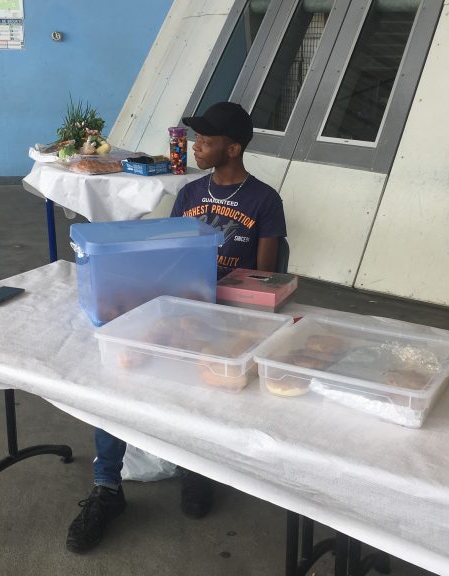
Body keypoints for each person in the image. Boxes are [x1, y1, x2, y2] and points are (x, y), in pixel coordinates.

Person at [66, 101, 287, 554]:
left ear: (233, 149)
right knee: (118, 370)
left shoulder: (264, 200)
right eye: (196, 139)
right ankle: (106, 486)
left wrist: (213, 313)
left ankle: (195, 468)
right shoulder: (189, 193)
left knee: (200, 380)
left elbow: (263, 281)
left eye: (206, 141)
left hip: (225, 315)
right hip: (179, 306)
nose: (195, 147)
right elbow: (167, 254)